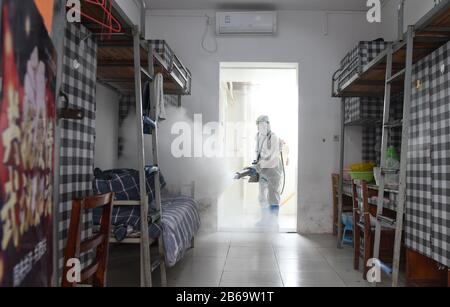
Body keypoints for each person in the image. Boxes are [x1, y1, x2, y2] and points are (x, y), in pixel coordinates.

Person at [254, 115, 287, 228]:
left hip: (273, 171)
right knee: (262, 196)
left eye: (263, 124)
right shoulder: (258, 136)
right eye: (259, 125)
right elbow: (259, 154)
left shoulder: (273, 137)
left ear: (268, 124)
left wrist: (259, 166)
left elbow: (272, 160)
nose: (261, 127)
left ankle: (273, 222)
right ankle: (264, 220)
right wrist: (256, 165)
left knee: (273, 197)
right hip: (263, 171)